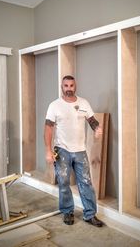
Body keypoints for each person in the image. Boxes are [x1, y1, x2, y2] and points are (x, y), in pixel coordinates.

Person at [44, 75, 104, 227]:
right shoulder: (54, 105)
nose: (69, 88)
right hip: (61, 149)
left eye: (71, 85)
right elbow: (48, 128)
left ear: (75, 86)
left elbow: (91, 120)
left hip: (80, 150)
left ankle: (90, 215)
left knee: (86, 182)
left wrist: (97, 128)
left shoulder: (84, 103)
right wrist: (48, 150)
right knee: (63, 181)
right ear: (62, 87)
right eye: (66, 86)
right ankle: (67, 211)